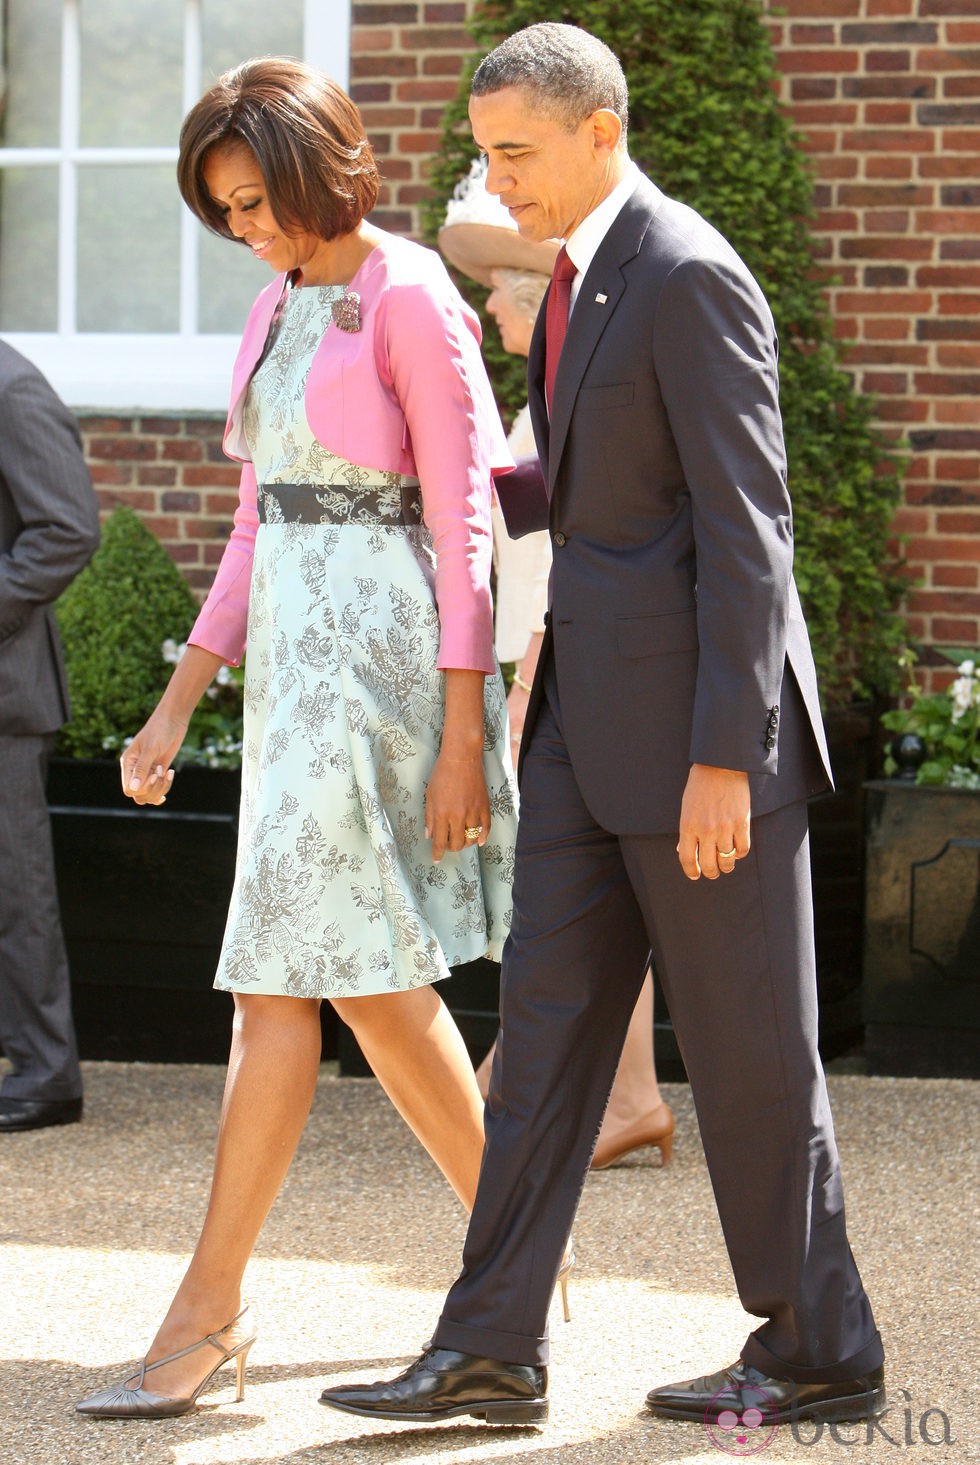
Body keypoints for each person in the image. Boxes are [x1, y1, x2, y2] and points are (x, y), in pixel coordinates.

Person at [320, 22, 885, 1431]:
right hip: (579, 727)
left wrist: (720, 757)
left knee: (755, 1060)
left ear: (600, 132)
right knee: (549, 1036)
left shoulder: (685, 273)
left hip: (702, 747)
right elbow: (588, 500)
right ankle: (492, 1345)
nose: (494, 177)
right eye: (486, 149)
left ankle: (821, 1344)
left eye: (515, 152)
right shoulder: (568, 287)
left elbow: (748, 534)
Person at [76, 56, 519, 1420]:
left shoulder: (412, 294)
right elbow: (258, 529)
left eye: (257, 199)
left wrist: (462, 733)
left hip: (385, 681)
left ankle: (209, 1313)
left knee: (306, 985)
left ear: (319, 166)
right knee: (366, 995)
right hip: (290, 693)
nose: (247, 230)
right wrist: (170, 704)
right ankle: (513, 1261)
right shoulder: (275, 306)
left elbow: (466, 528)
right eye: (225, 211)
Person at [439, 174, 673, 1169]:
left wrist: (534, 671)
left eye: (501, 284)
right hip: (548, 653)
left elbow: (555, 550)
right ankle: (607, 1089)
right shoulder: (542, 395)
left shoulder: (565, 395)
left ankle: (612, 1091)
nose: (487, 299)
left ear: (539, 297)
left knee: (590, 877)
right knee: (597, 882)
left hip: (559, 660)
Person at [0, 342, 99, 1134]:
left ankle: (44, 1073)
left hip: (4, 697)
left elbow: (65, 530)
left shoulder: (12, 385)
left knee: (13, 893)